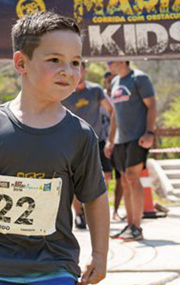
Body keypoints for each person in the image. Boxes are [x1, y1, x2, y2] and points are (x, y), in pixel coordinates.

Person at [0, 11, 109, 284]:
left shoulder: (81, 135)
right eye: (54, 60)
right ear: (21, 62)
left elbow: (94, 197)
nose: (68, 71)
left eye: (75, 62)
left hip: (55, 268)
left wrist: (100, 253)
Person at [62, 62, 117, 229]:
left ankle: (94, 204)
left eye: (79, 68)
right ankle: (79, 214)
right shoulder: (63, 92)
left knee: (106, 175)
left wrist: (111, 138)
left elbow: (112, 110)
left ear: (84, 71)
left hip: (98, 139)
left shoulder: (96, 90)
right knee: (74, 180)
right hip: (73, 141)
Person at [108, 60, 157, 241]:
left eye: (110, 61)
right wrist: (110, 140)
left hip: (138, 137)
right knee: (125, 181)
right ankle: (129, 225)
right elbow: (114, 113)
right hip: (120, 140)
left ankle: (137, 226)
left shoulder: (139, 78)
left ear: (122, 60)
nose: (107, 64)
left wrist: (150, 132)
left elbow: (151, 105)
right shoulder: (114, 82)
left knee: (132, 176)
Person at [102, 69, 125, 221]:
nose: (110, 83)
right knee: (104, 177)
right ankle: (100, 211)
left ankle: (115, 211)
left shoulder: (122, 96)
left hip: (120, 141)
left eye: (112, 80)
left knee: (121, 178)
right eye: (108, 80)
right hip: (102, 142)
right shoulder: (99, 96)